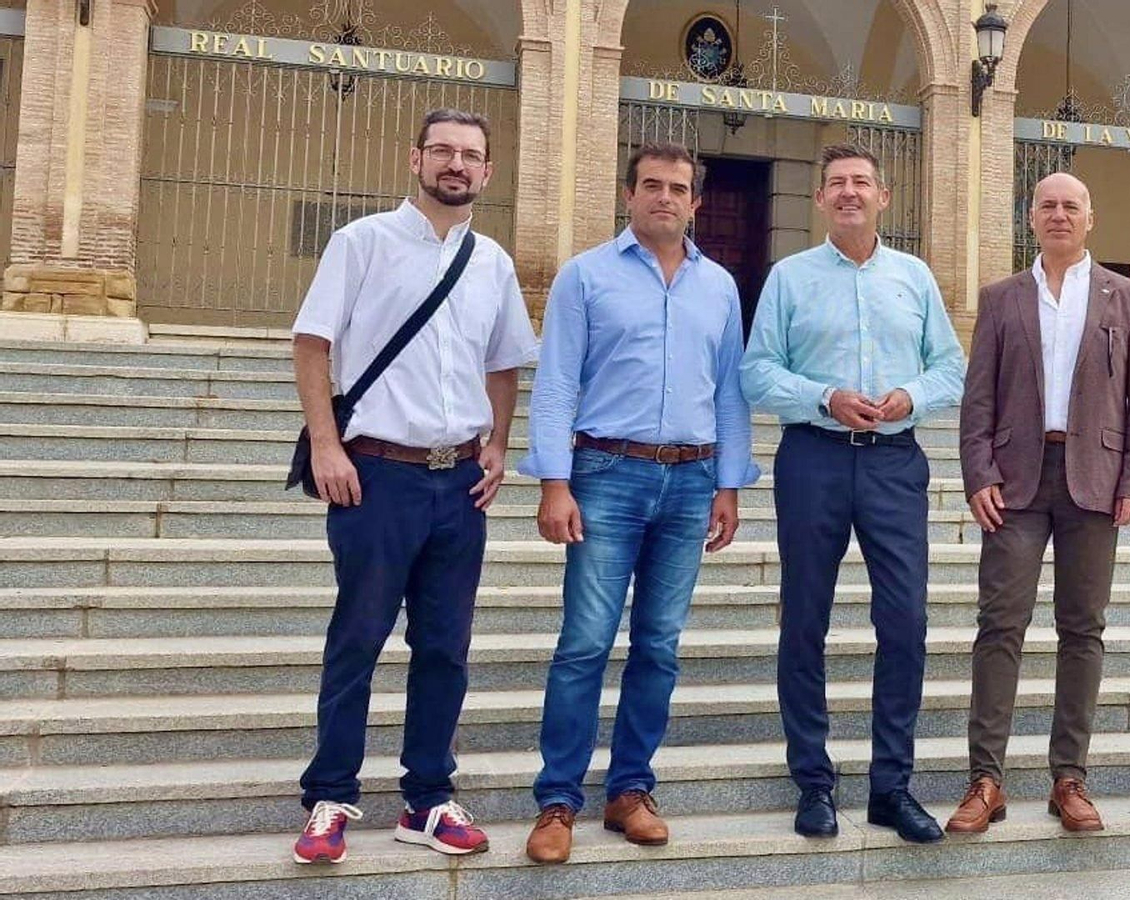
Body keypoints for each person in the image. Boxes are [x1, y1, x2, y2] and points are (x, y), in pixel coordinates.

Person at [290, 108, 539, 864]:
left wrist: (498, 442)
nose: (456, 165)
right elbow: (312, 344)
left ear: (488, 171)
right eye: (443, 151)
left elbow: (502, 363)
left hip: (458, 482)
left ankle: (428, 799)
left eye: (470, 155)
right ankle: (330, 796)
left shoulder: (492, 262)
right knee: (358, 639)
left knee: (445, 647)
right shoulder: (360, 242)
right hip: (375, 477)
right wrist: (328, 447)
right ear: (416, 159)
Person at [521, 142, 759, 865]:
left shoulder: (718, 286)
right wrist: (554, 481)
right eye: (651, 185)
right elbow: (558, 381)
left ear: (694, 202)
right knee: (585, 643)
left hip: (689, 483)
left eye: (678, 188)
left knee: (658, 645)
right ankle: (558, 801)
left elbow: (729, 391)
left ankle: (630, 792)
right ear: (628, 196)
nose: (665, 197)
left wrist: (729, 484)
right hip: (605, 475)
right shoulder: (584, 277)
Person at [741, 144, 966, 845]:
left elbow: (951, 367)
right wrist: (824, 396)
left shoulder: (915, 276)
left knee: (905, 623)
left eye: (860, 183)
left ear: (883, 197)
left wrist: (910, 395)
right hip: (812, 459)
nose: (848, 193)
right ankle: (813, 782)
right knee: (804, 620)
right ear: (820, 199)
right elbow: (756, 373)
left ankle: (891, 787)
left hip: (895, 463)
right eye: (835, 182)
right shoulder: (789, 278)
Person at [951, 173, 1130, 834]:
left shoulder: (1127, 298)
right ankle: (985, 780)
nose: (1060, 214)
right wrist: (978, 471)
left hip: (1094, 480)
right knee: (1000, 623)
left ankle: (1070, 778)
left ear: (1090, 217)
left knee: (1083, 628)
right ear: (1031, 217)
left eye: (1072, 205)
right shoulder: (1002, 298)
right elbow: (977, 398)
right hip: (1015, 480)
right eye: (1048, 205)